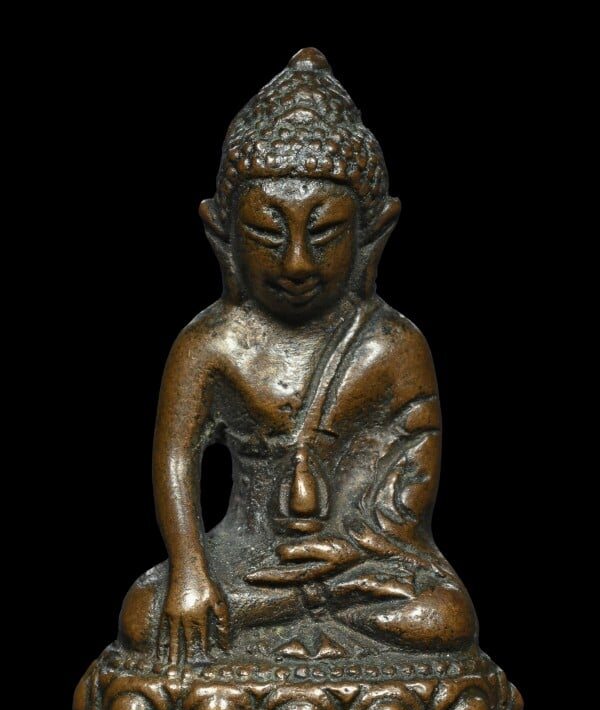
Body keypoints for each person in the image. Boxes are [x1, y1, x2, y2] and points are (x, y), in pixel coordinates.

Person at [118, 48, 477, 667]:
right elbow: (176, 459)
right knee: (145, 613)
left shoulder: (391, 345)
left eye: (325, 232)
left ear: (372, 233)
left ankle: (300, 613)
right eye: (266, 232)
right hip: (246, 562)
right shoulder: (211, 344)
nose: (296, 262)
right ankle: (291, 614)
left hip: (357, 567)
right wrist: (192, 571)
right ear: (222, 234)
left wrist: (358, 549)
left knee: (444, 618)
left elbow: (413, 465)